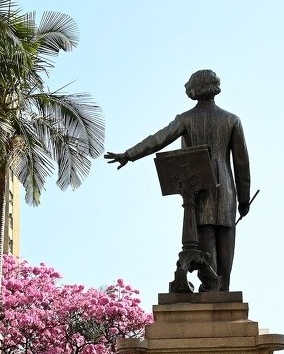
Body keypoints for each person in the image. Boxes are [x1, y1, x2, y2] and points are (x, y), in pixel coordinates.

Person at [105, 69, 251, 292]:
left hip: (199, 186)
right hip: (226, 191)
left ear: (194, 89)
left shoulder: (186, 119)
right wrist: (244, 199)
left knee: (205, 238)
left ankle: (212, 289)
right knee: (226, 240)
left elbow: (158, 140)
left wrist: (129, 154)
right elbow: (242, 165)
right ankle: (223, 293)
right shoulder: (231, 120)